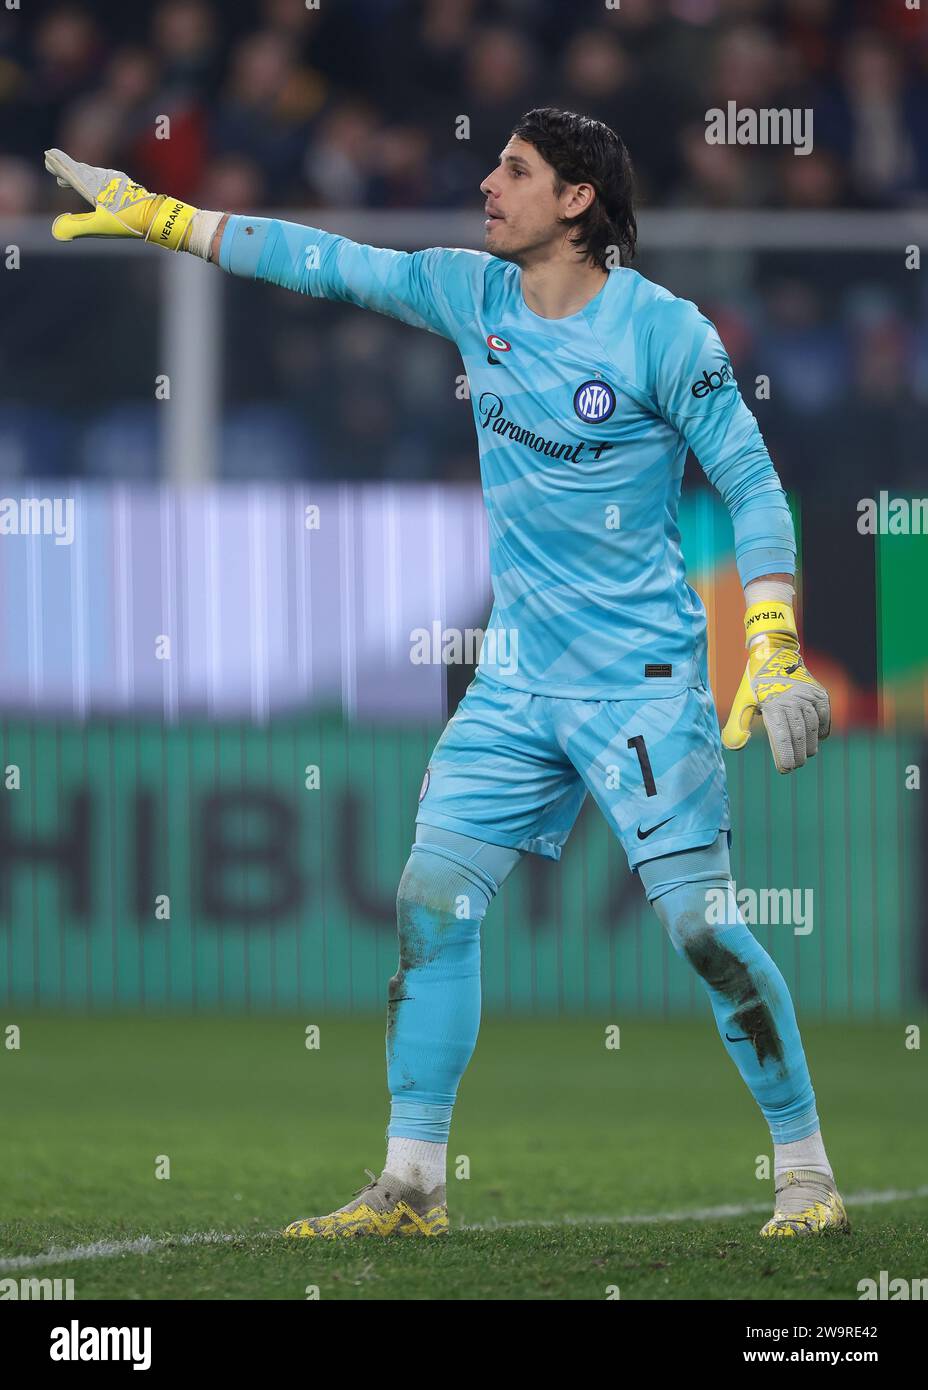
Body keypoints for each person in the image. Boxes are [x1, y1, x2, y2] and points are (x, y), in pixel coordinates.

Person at [44, 107, 847, 1241]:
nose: (486, 183)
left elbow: (753, 487)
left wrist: (770, 644)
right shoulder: (469, 296)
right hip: (515, 677)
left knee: (702, 930)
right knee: (430, 901)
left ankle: (806, 1174)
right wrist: (169, 218)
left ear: (576, 201)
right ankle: (411, 1182)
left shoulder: (666, 334)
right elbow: (323, 261)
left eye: (514, 171)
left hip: (641, 679)